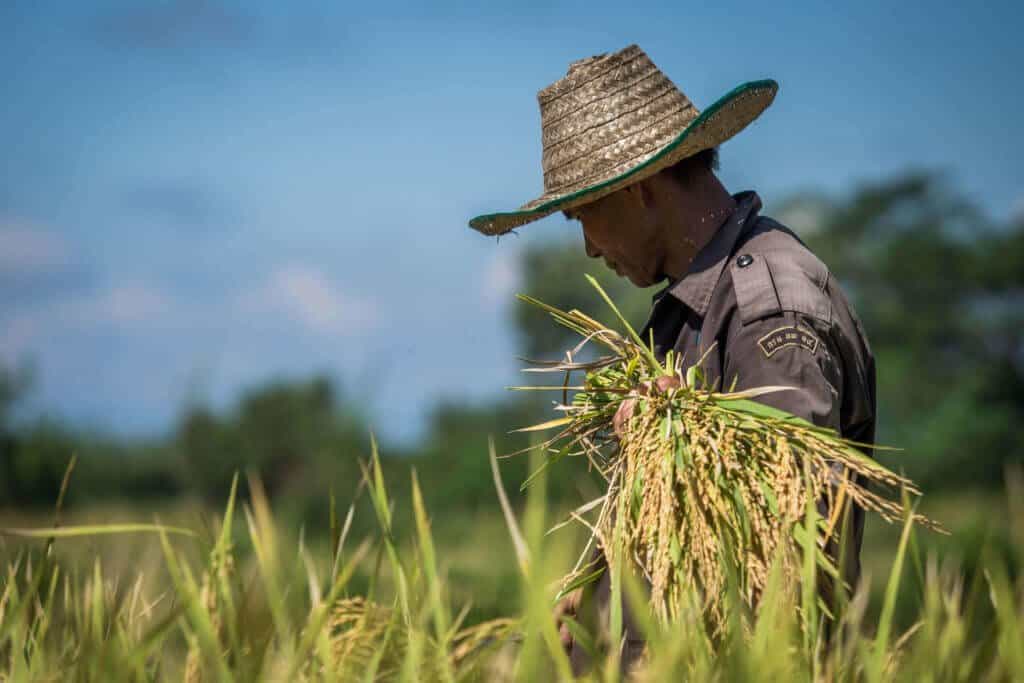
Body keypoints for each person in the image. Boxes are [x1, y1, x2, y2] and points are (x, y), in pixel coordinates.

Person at [468, 44, 876, 675]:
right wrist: (596, 602)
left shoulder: (765, 308)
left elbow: (792, 542)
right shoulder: (691, 309)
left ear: (637, 189)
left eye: (586, 216)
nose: (588, 248)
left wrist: (677, 427)